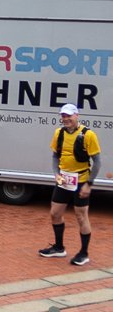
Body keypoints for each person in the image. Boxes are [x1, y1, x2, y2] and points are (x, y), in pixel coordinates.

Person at [38, 103, 101, 266]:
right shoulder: (59, 133)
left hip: (81, 181)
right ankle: (59, 248)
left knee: (81, 216)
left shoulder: (88, 135)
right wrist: (56, 175)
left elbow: (97, 162)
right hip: (64, 181)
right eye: (63, 116)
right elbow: (55, 156)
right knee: (55, 213)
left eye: (69, 116)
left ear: (76, 116)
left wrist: (89, 184)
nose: (65, 119)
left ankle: (84, 253)